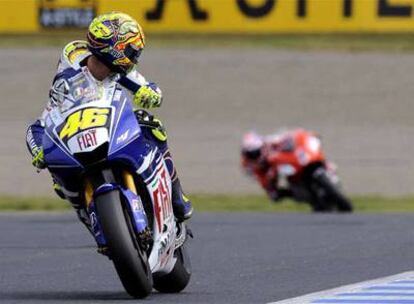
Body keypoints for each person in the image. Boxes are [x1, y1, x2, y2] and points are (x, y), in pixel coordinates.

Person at [25, 12, 193, 232]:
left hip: (109, 128)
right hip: (75, 133)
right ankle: (85, 211)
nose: (135, 57)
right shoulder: (69, 76)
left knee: (152, 126)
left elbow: (149, 87)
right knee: (56, 170)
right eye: (132, 51)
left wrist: (149, 93)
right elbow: (35, 129)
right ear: (115, 50)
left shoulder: (116, 70)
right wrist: (39, 150)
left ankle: (175, 195)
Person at [240, 131, 292, 202]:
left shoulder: (269, 141)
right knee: (273, 195)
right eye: (250, 154)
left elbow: (287, 137)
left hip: (281, 160)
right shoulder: (246, 162)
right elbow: (255, 175)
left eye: (255, 152)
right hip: (265, 170)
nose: (253, 155)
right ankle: (290, 193)